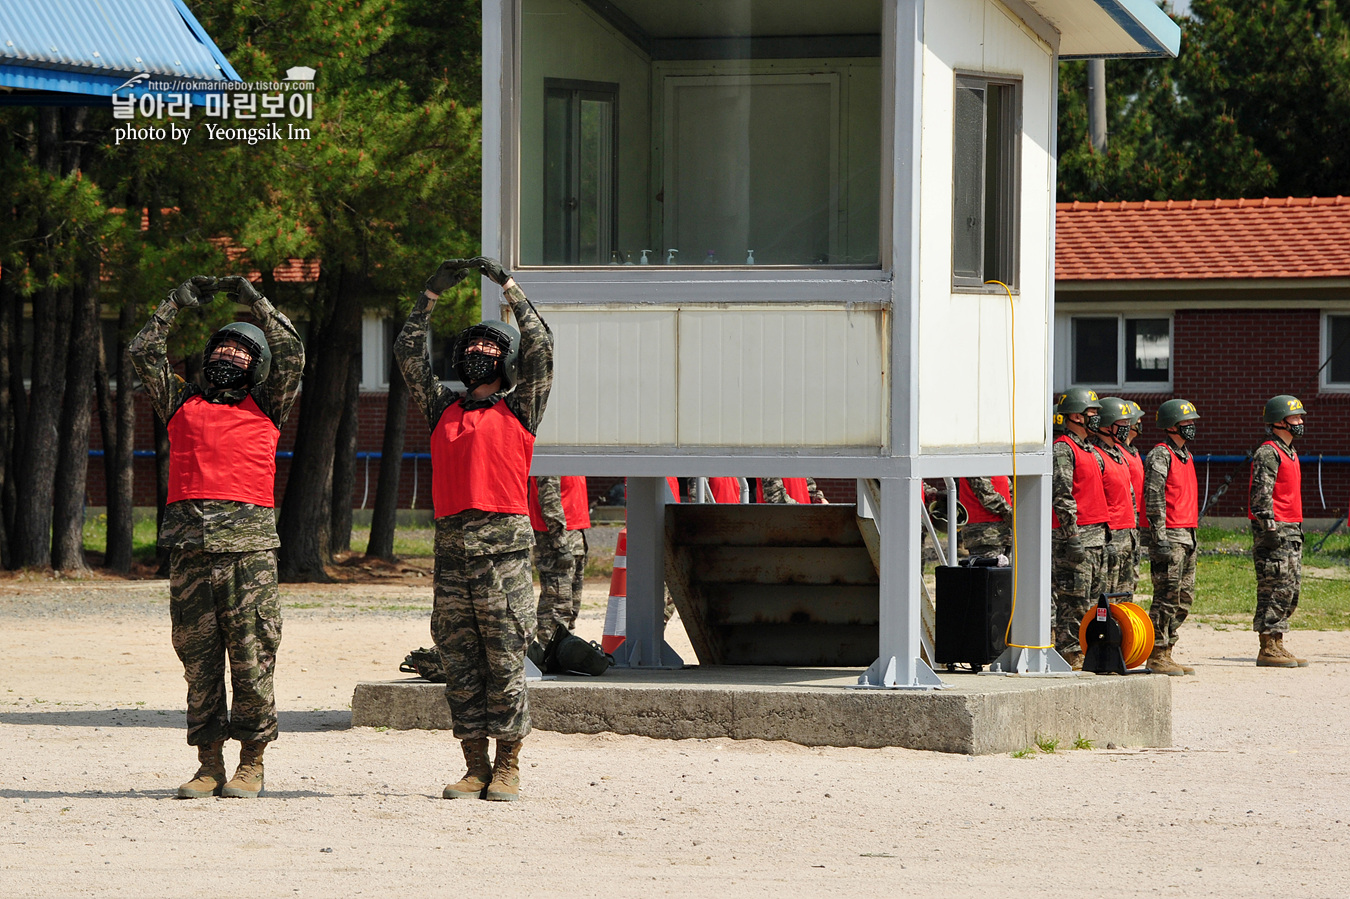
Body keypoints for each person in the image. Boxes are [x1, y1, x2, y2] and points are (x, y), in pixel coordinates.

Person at [129, 274, 303, 800]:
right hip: (190, 555)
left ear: (259, 367)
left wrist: (255, 301)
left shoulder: (269, 405)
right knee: (198, 661)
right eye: (223, 346)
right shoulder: (180, 403)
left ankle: (252, 762)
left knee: (251, 659)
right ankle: (209, 764)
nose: (230, 355)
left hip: (248, 557)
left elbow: (292, 348)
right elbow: (143, 350)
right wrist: (175, 302)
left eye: (243, 350)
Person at [394, 256, 552, 802]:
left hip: (503, 555)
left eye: (490, 349)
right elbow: (409, 354)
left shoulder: (521, 409)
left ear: (506, 364)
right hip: (452, 555)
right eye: (471, 348)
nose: (477, 355)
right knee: (460, 661)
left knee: (505, 657)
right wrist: (429, 297)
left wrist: (507, 285)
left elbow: (542, 345)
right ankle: (474, 764)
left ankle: (508, 764)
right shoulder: (442, 408)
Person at [1051, 387, 1110, 670]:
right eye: (1092, 413)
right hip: (1077, 537)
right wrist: (1071, 535)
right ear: (1075, 416)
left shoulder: (1092, 450)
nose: (1097, 417)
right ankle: (1070, 652)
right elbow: (1062, 495)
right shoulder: (1064, 448)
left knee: (1092, 602)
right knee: (1073, 600)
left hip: (1097, 536)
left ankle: (1088, 649)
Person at [1249, 395, 1310, 668]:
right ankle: (1267, 646)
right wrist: (1269, 529)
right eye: (1295, 417)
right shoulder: (1268, 452)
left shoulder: (1289, 451)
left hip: (1292, 529)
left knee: (1289, 589)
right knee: (1273, 588)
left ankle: (1278, 641)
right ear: (1279, 421)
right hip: (1276, 529)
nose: (1300, 421)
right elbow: (1261, 496)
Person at [1144, 398, 1202, 676]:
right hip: (1170, 535)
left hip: (1188, 534)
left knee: (1183, 597)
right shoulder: (1161, 454)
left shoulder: (1186, 455)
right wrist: (1159, 537)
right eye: (1186, 423)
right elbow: (1154, 497)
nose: (1191, 427)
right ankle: (1156, 653)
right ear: (1172, 425)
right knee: (1166, 596)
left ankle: (1168, 650)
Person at [528, 475, 591, 648]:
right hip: (557, 540)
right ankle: (549, 653)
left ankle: (564, 651)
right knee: (556, 606)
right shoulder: (553, 455)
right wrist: (560, 543)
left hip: (573, 535)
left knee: (570, 607)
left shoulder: (570, 456)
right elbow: (549, 499)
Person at [1092, 397, 1140, 596]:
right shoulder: (1096, 456)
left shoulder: (1119, 455)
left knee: (1125, 594)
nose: (1127, 428)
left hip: (1127, 535)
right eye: (1122, 423)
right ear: (1107, 425)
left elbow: (1130, 497)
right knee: (1106, 595)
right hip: (1110, 537)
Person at [1120, 401, 1147, 587]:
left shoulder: (1134, 452)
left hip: (1135, 521)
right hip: (1124, 521)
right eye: (1138, 419)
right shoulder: (1119, 453)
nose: (1140, 422)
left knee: (1132, 577)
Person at [958, 477, 1012, 559]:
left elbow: (1010, 491)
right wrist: (1012, 515)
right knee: (989, 569)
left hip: (1004, 533)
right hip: (984, 534)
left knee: (1008, 570)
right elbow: (987, 495)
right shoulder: (976, 465)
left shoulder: (999, 466)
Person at [758, 477, 829, 504]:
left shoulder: (796, 454)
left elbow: (809, 487)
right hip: (778, 526)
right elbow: (776, 498)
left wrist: (819, 500)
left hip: (800, 523)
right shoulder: (769, 453)